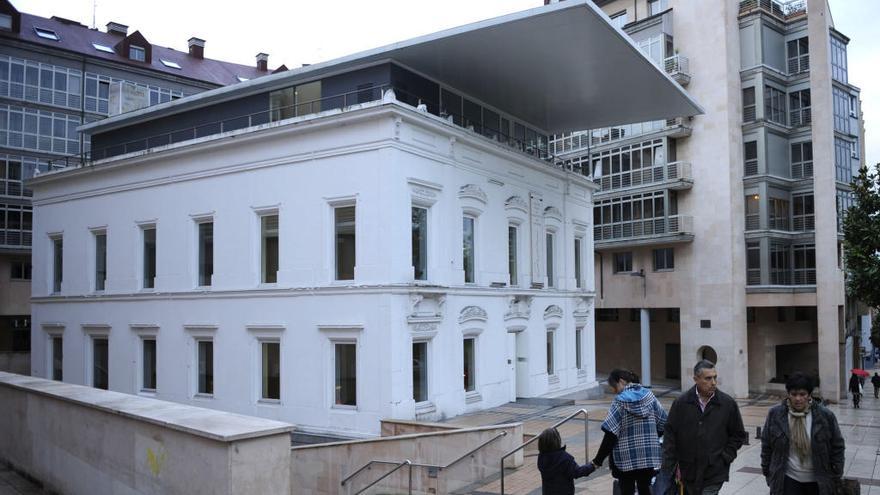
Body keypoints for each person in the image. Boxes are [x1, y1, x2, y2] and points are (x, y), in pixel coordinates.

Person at [661, 360, 747, 495]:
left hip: (714, 472)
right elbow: (670, 435)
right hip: (687, 471)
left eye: (715, 377)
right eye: (708, 378)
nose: (713, 382)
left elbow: (738, 435)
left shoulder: (727, 404)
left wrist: (725, 457)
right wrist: (669, 466)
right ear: (696, 379)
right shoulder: (681, 403)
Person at [760, 372, 845, 494]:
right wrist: (768, 472)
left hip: (818, 481)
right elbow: (766, 445)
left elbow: (837, 446)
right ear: (788, 394)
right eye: (794, 394)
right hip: (788, 479)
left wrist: (836, 474)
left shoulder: (825, 416)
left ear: (809, 395)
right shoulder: (776, 414)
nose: (798, 398)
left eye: (802, 394)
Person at [592, 369, 667, 495]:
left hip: (624, 460)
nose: (614, 391)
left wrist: (598, 460)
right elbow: (664, 423)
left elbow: (610, 434)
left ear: (621, 381)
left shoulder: (619, 402)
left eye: (614, 387)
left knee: (627, 490)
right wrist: (651, 439)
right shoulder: (650, 396)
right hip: (648, 457)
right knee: (645, 488)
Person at [536, 426, 595, 494]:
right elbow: (577, 472)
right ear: (557, 440)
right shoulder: (564, 458)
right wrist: (592, 465)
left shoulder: (541, 457)